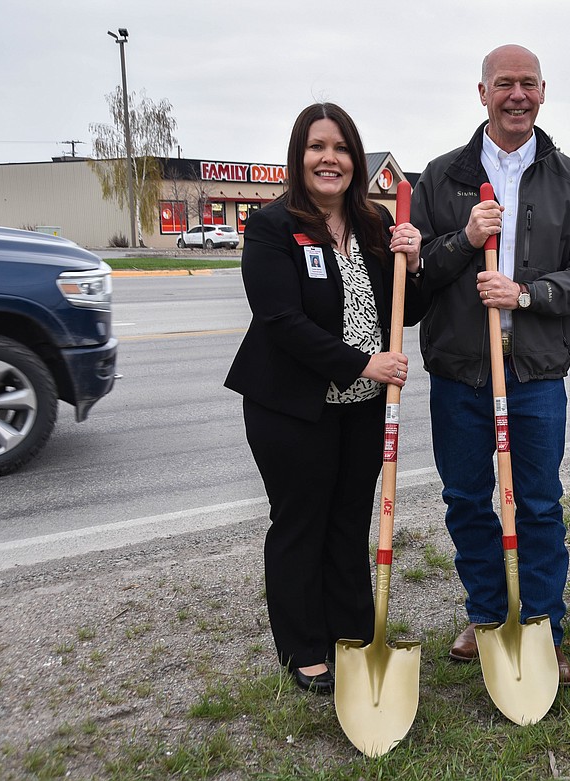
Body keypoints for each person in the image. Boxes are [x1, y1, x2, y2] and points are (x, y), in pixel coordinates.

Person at [410, 44, 570, 686]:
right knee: (468, 499)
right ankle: (489, 614)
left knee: (539, 503)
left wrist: (526, 295)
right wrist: (464, 242)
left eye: (527, 84)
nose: (516, 95)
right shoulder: (441, 178)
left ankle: (543, 627)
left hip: (535, 373)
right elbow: (413, 287)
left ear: (544, 92)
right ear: (482, 93)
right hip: (460, 371)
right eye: (504, 84)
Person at [224, 103, 426, 694]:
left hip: (362, 407)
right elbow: (281, 320)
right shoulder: (272, 226)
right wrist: (367, 363)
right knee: (300, 522)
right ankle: (304, 647)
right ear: (299, 156)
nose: (329, 158)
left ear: (355, 159)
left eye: (340, 148)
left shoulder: (372, 224)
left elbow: (404, 313)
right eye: (317, 147)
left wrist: (411, 266)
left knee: (347, 521)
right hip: (291, 407)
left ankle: (353, 633)